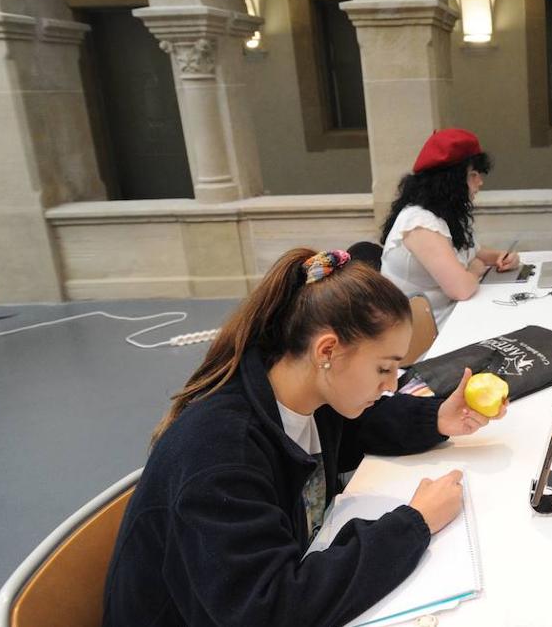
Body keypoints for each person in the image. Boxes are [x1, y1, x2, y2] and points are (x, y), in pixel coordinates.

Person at [103, 248, 505, 626]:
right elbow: (270, 607)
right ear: (326, 351)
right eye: (384, 368)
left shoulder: (302, 391)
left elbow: (365, 423)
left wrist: (438, 417)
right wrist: (414, 524)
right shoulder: (222, 454)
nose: (390, 385)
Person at [379, 128, 519, 324]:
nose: (480, 182)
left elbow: (474, 252)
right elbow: (461, 289)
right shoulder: (420, 223)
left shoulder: (445, 213)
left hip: (453, 314)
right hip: (427, 330)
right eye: (473, 175)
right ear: (451, 181)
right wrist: (475, 269)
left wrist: (501, 257)